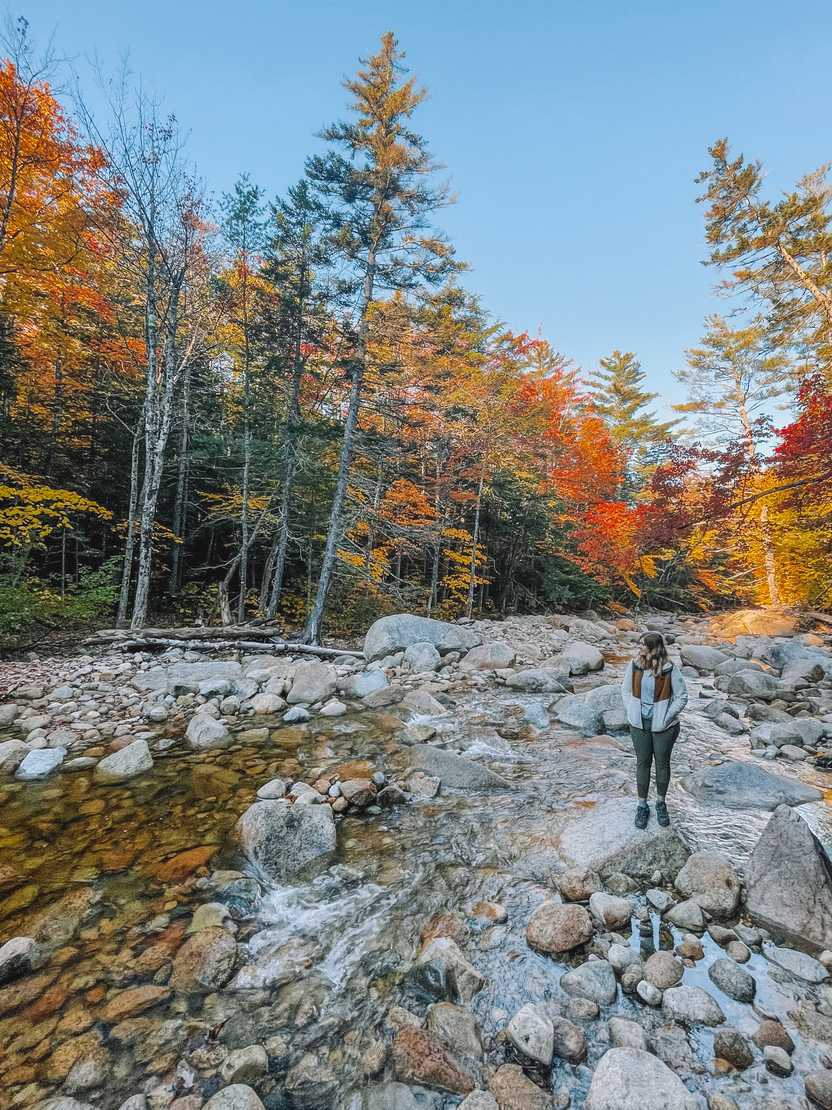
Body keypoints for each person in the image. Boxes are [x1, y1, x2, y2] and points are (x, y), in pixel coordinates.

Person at [621, 632, 688, 829]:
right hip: (639, 724)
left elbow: (682, 697)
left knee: (662, 764)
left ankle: (660, 803)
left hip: (664, 727)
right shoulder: (635, 665)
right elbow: (625, 690)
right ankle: (642, 805)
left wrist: (667, 717)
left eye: (642, 644)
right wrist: (631, 711)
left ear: (653, 648)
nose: (639, 647)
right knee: (642, 763)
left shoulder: (669, 669)